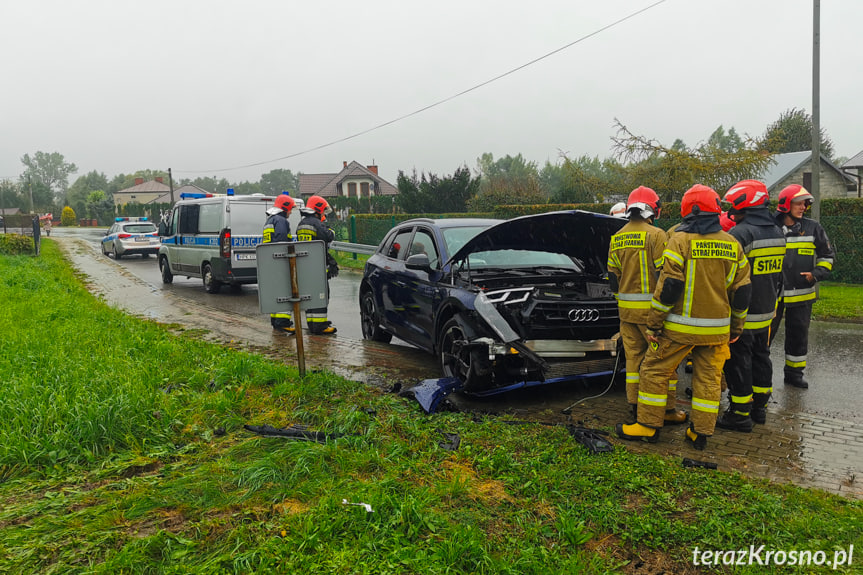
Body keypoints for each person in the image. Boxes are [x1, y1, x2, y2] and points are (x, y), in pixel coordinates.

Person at [616, 184, 751, 450]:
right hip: (717, 332)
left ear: (688, 210)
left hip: (678, 329)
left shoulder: (679, 240)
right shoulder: (732, 243)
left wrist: (654, 323)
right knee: (708, 379)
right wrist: (737, 327)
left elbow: (669, 288)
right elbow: (742, 290)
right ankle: (700, 433)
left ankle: (647, 426)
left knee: (653, 370)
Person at [606, 186, 687, 426]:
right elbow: (666, 274)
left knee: (633, 361)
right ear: (653, 209)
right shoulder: (657, 235)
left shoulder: (617, 237)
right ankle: (668, 408)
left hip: (626, 313)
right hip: (653, 315)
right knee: (663, 364)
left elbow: (613, 277)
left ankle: (634, 405)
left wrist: (622, 302)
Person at [715, 180, 785, 431]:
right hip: (767, 310)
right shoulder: (776, 231)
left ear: (745, 202)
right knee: (761, 356)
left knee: (738, 361)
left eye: (734, 203)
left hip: (742, 313)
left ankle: (739, 414)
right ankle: (760, 408)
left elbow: (727, 276)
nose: (731, 208)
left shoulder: (741, 234)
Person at [769, 185, 835, 389]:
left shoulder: (813, 227)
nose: (803, 207)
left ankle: (794, 374)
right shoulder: (769, 226)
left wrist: (815, 275)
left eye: (805, 204)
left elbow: (827, 256)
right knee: (765, 336)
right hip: (773, 294)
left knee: (798, 335)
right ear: (785, 204)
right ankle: (758, 373)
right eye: (799, 203)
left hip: (802, 293)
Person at [296, 195, 338, 335]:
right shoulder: (316, 223)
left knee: (310, 295)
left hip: (305, 265)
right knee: (321, 294)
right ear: (318, 209)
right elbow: (328, 237)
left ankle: (313, 324)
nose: (323, 214)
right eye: (323, 211)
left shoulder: (301, 224)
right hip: (317, 266)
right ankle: (320, 326)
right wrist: (330, 229)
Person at [262, 193, 296, 333]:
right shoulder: (281, 221)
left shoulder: (270, 220)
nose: (291, 212)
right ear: (285, 208)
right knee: (284, 291)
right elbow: (282, 242)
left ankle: (276, 321)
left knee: (275, 292)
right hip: (280, 260)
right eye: (290, 209)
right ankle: (283, 322)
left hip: (270, 261)